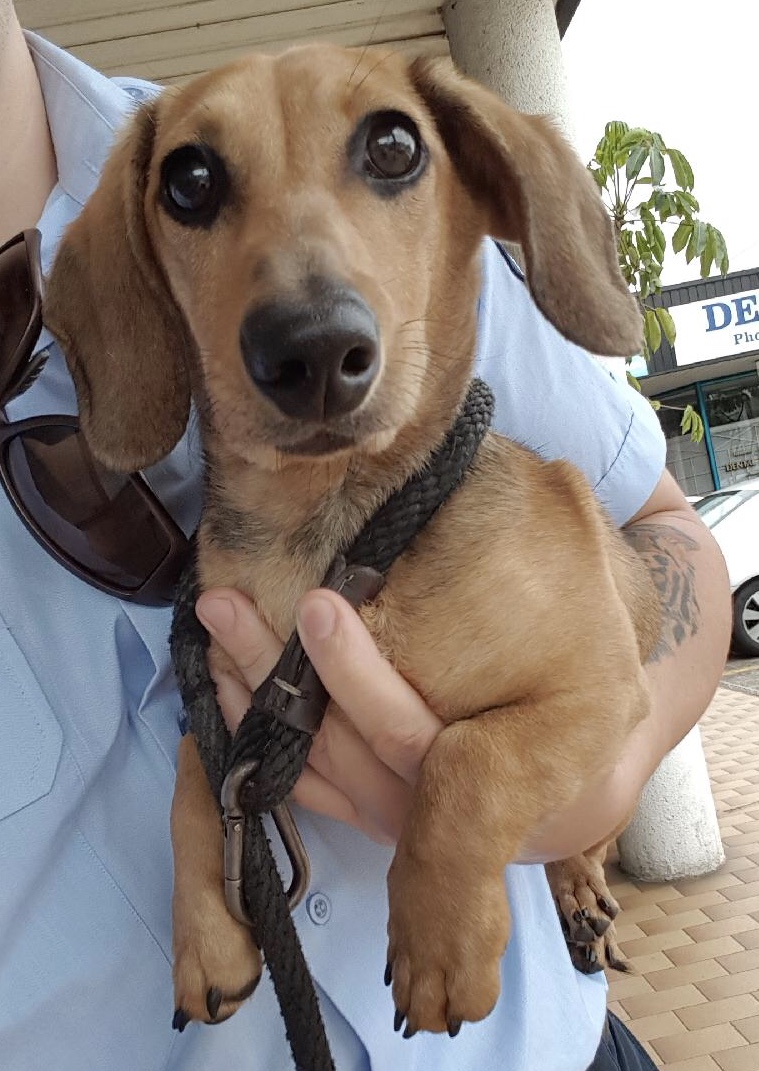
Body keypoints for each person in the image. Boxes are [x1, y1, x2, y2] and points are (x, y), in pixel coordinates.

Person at [0, 7, 731, 1071]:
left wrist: (567, 793)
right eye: (197, 187)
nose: (311, 314)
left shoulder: (445, 266)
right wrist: (200, 836)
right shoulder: (127, 226)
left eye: (387, 154)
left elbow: (661, 545)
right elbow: (225, 710)